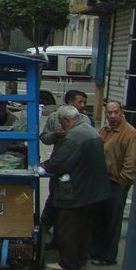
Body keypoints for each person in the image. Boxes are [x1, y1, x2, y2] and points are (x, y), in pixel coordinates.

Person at [41, 105, 110, 270]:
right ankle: (80, 261)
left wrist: (43, 166)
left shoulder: (73, 137)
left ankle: (68, 262)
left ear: (67, 120)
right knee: (84, 229)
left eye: (61, 123)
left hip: (76, 191)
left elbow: (58, 162)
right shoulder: (90, 130)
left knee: (68, 228)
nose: (61, 127)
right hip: (92, 191)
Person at [40, 89, 93, 249]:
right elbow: (44, 138)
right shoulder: (54, 118)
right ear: (70, 103)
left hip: (76, 170)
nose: (83, 105)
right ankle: (43, 230)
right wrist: (55, 135)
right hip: (59, 167)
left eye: (84, 102)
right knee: (54, 200)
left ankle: (64, 241)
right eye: (80, 102)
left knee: (70, 207)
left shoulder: (85, 121)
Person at [89, 100, 136, 266]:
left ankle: (108, 256)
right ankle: (95, 251)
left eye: (116, 112)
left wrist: (122, 181)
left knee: (112, 221)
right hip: (102, 182)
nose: (113, 116)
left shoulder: (129, 133)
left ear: (121, 112)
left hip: (116, 183)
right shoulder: (105, 130)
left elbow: (131, 161)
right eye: (109, 113)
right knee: (100, 218)